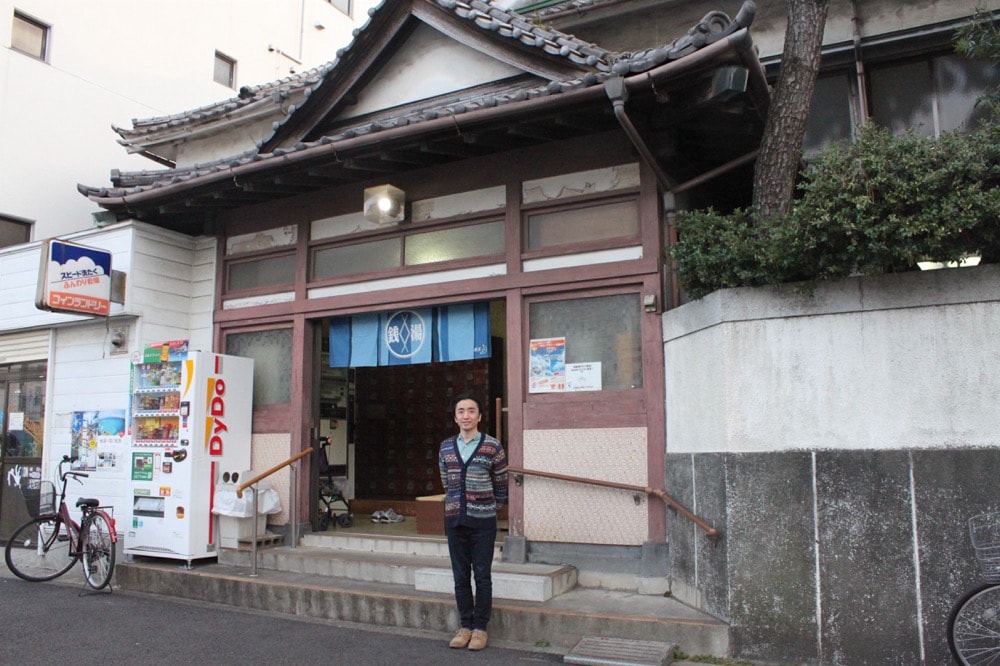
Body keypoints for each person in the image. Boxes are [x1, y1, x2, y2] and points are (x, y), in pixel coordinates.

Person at [438, 393, 508, 651]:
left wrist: (489, 507)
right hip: (455, 519)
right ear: (455, 417)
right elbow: (447, 480)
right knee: (459, 575)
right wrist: (457, 503)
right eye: (461, 411)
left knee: (482, 575)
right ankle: (465, 625)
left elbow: (501, 483)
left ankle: (480, 628)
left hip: (483, 521)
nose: (466, 416)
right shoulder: (446, 447)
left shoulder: (492, 446)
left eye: (471, 411)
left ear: (479, 416)